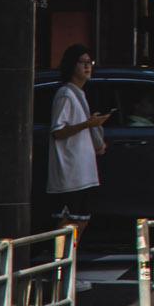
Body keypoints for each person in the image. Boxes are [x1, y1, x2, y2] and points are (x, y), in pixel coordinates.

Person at [48, 45, 110, 277]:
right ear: (71, 65)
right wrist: (87, 124)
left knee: (80, 221)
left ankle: (67, 271)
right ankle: (60, 273)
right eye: (82, 62)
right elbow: (58, 131)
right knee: (68, 222)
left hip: (83, 170)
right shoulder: (65, 94)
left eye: (89, 62)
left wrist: (92, 127)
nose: (87, 67)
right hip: (69, 170)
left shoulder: (79, 94)